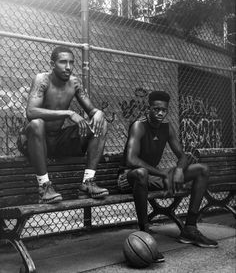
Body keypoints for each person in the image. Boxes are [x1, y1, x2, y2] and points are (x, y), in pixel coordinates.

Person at [120, 90, 218, 261]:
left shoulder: (167, 127)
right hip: (128, 177)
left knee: (202, 169)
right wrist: (163, 173)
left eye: (163, 110)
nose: (160, 113)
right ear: (148, 109)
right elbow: (131, 159)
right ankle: (144, 235)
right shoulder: (139, 126)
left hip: (151, 176)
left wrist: (179, 170)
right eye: (156, 109)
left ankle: (190, 228)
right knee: (142, 173)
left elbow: (183, 156)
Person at [17, 46, 109, 204]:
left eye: (71, 63)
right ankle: (44, 187)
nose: (68, 67)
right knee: (37, 124)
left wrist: (98, 112)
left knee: (102, 124)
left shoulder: (74, 82)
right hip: (34, 139)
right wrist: (68, 113)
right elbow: (31, 112)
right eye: (63, 62)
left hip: (57, 141)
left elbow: (92, 110)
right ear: (52, 64)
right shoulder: (42, 79)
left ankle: (88, 182)